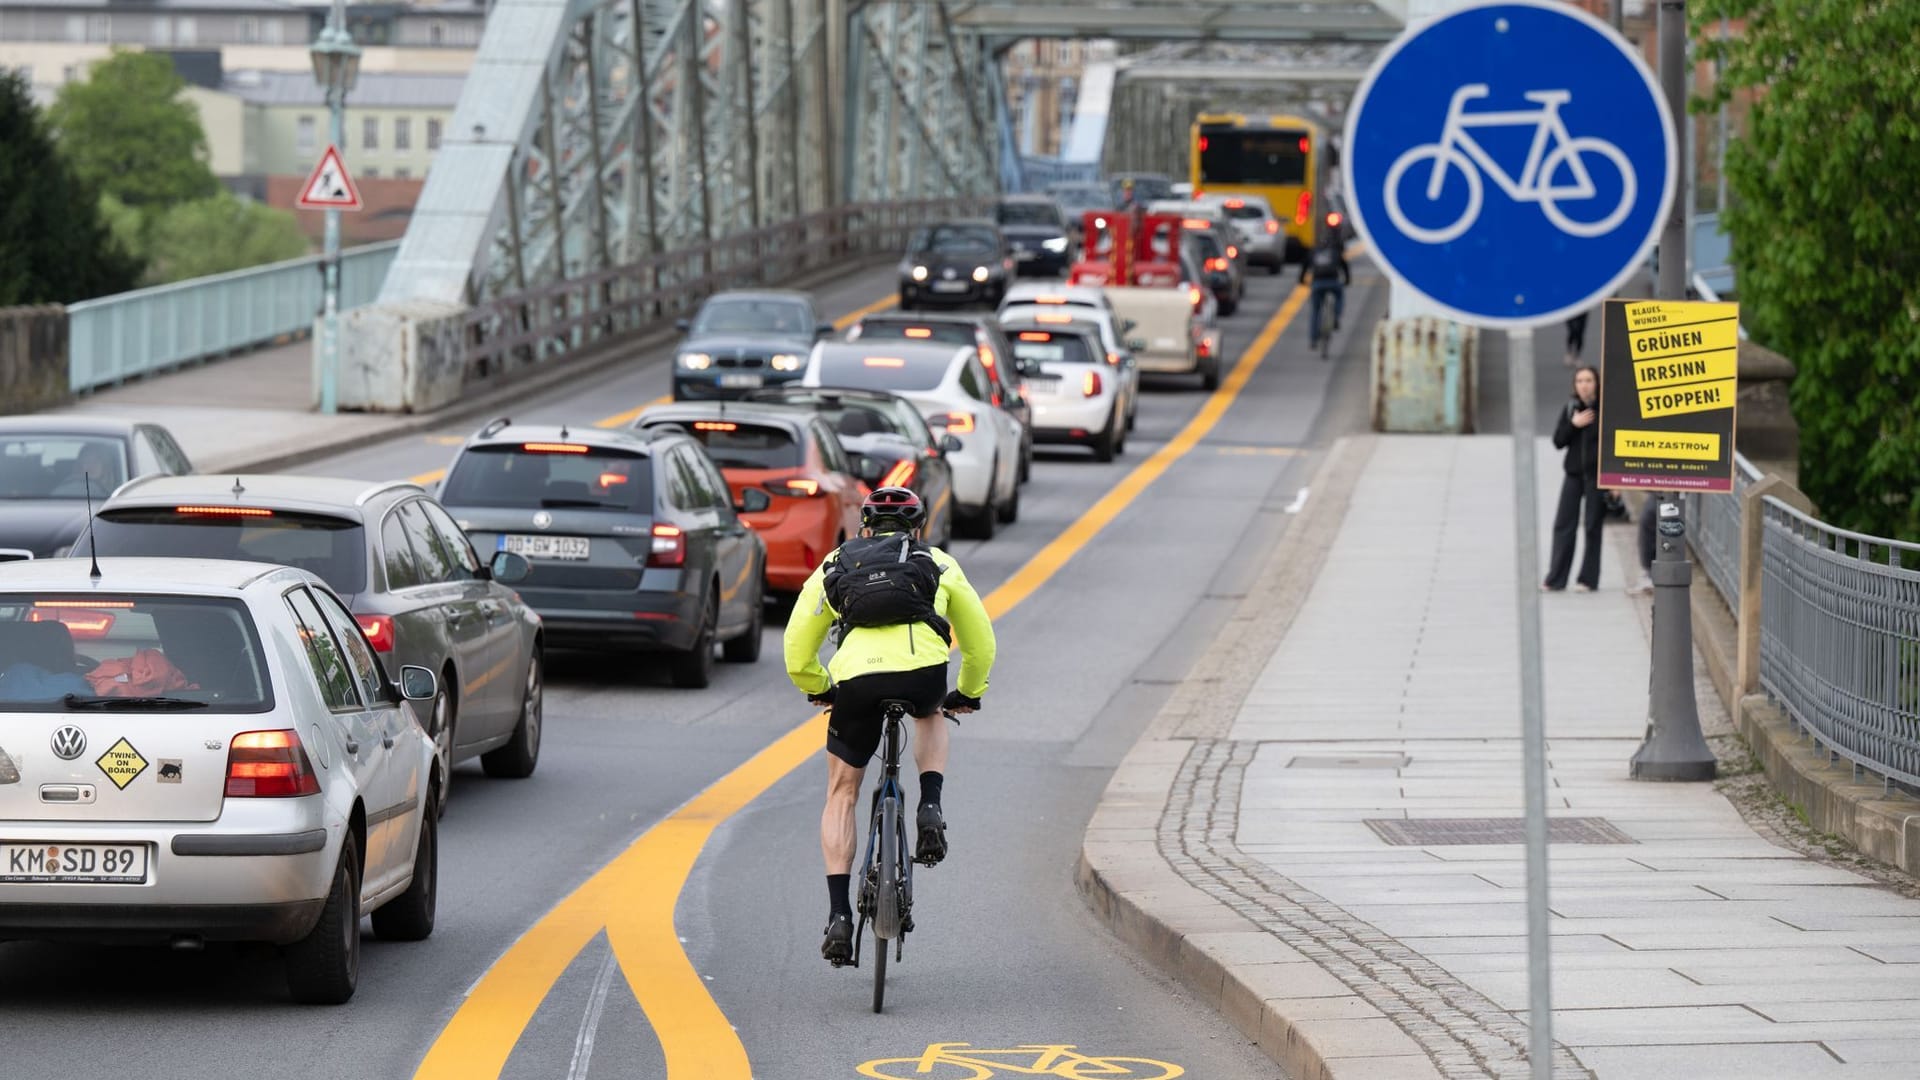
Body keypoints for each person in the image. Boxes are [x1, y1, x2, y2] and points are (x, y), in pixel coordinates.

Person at [783, 486, 996, 967]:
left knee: (842, 792)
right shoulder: (937, 562)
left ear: (865, 527)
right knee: (931, 711)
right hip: (922, 673)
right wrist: (969, 690)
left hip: (857, 681)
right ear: (916, 527)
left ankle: (839, 917)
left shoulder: (836, 563)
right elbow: (981, 641)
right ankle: (930, 807)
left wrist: (819, 686)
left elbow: (797, 645)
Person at [1543, 365, 1606, 592]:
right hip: (1573, 474)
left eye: (1589, 380)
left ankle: (1588, 579)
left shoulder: (1605, 409)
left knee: (1592, 526)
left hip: (1597, 477)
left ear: (1597, 383)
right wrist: (1574, 425)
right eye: (1580, 381)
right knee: (1563, 525)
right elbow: (1558, 441)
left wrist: (1616, 483)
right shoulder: (1571, 408)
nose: (1584, 385)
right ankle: (1555, 579)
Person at [1299, 233, 1350, 350]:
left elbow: (1304, 267)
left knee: (1316, 310)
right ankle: (1336, 317)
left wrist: (1301, 280)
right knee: (1339, 295)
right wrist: (1347, 280)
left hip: (1317, 284)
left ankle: (1313, 339)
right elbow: (1345, 267)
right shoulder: (1335, 252)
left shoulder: (1313, 252)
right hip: (1333, 282)